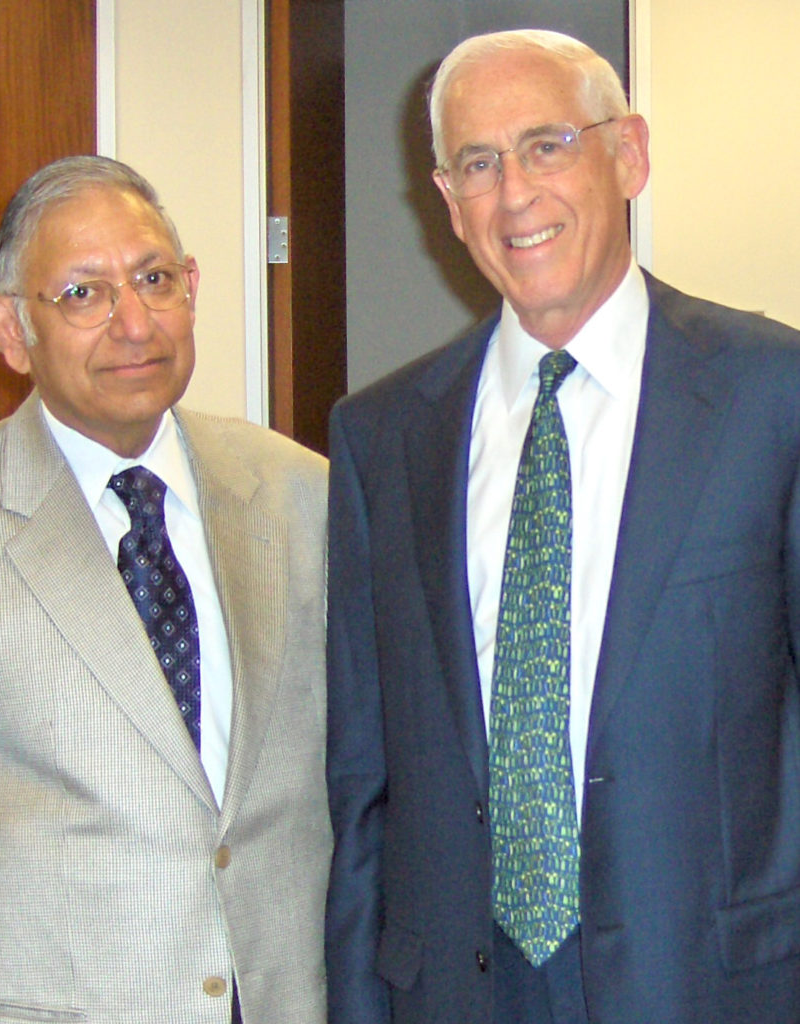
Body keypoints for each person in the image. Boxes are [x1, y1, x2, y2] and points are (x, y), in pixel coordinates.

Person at [324, 28, 800, 1024]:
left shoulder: (772, 395)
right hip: (459, 992)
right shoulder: (379, 439)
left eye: (547, 146)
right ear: (447, 203)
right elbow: (364, 781)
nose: (515, 195)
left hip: (714, 982)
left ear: (626, 155)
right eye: (478, 164)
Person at [0, 155, 331, 1023]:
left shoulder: (306, 494)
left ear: (191, 287)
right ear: (10, 331)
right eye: (83, 294)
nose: (133, 323)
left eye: (154, 279)